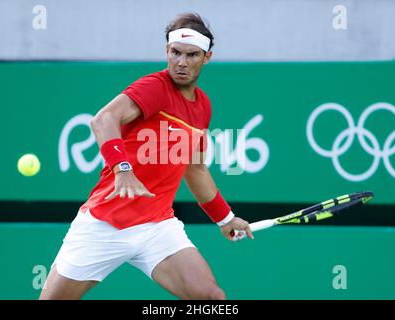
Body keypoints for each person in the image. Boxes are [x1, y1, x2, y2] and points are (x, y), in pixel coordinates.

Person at [39, 12, 253, 300]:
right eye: (175, 52)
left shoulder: (203, 106)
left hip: (157, 228)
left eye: (192, 55)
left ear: (207, 57)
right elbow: (103, 120)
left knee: (212, 299)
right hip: (105, 223)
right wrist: (123, 169)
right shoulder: (154, 86)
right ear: (167, 51)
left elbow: (196, 169)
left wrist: (225, 219)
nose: (181, 62)